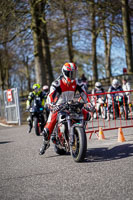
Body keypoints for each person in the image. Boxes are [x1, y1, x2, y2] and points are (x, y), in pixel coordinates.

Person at [39, 62, 94, 155]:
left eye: (74, 73)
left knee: (87, 115)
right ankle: (45, 143)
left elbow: (84, 93)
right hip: (59, 106)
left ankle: (78, 134)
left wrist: (88, 103)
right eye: (71, 73)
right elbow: (51, 95)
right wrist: (50, 104)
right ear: (65, 73)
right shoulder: (57, 83)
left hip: (71, 104)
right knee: (47, 130)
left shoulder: (77, 82)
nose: (73, 76)